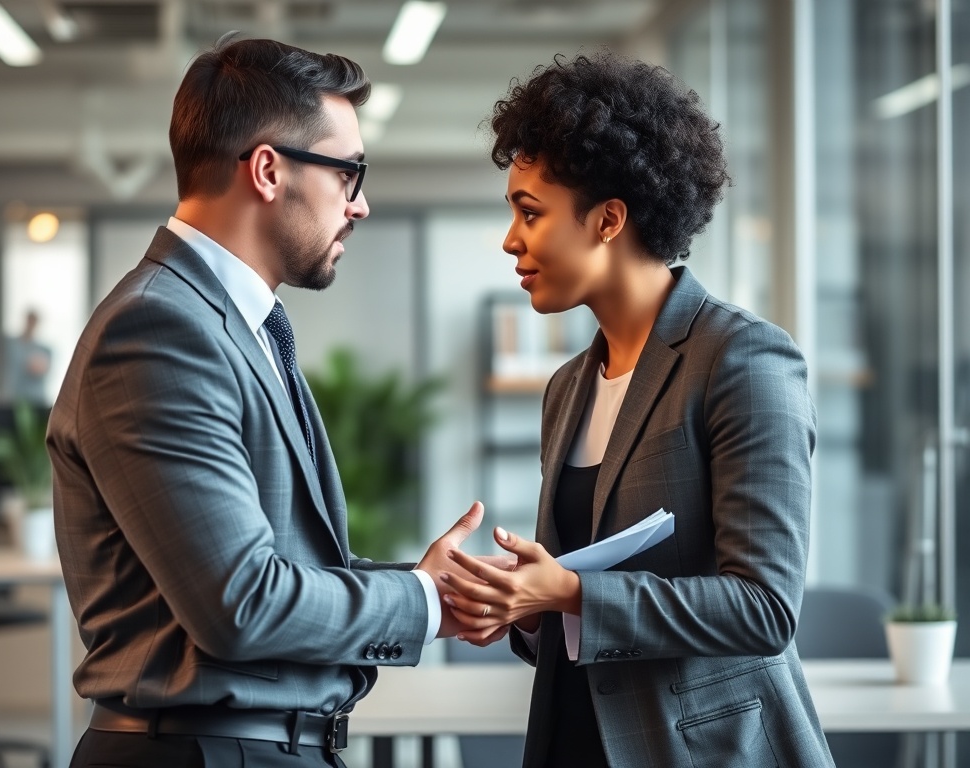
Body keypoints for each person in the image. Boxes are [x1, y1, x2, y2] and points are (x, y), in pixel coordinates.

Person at [46, 37, 495, 768]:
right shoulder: (161, 330)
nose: (361, 204)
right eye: (350, 173)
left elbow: (276, 561)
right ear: (267, 170)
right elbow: (241, 603)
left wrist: (440, 587)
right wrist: (427, 602)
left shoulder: (234, 326)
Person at [441, 53, 835, 767]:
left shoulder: (741, 359)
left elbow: (764, 608)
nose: (511, 239)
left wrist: (566, 589)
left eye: (530, 212)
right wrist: (519, 603)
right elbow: (572, 606)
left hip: (704, 750)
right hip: (575, 741)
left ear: (609, 219)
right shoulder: (568, 386)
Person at [0, 309, 52, 404]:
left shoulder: (44, 351)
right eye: (29, 320)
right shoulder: (8, 345)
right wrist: (6, 384)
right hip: (9, 402)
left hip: (35, 403)